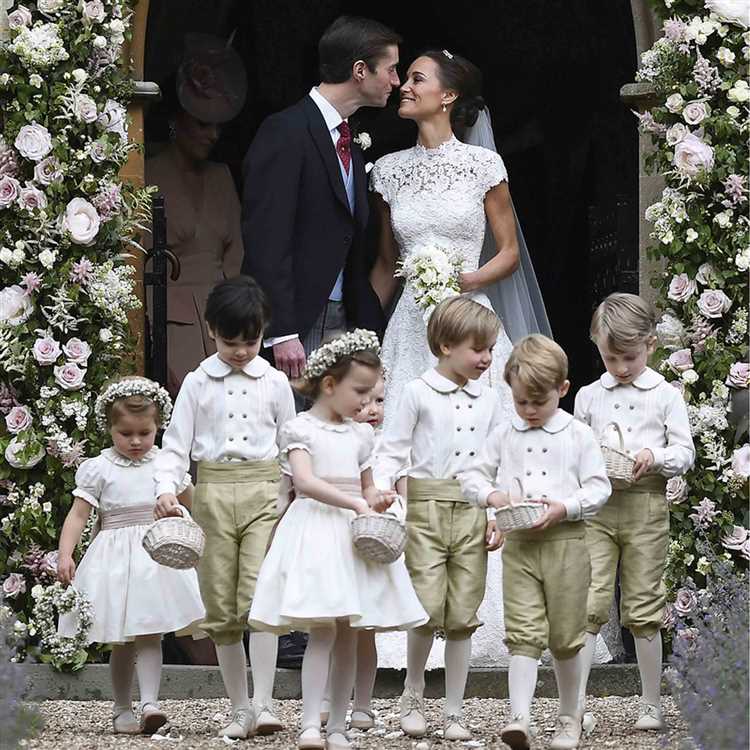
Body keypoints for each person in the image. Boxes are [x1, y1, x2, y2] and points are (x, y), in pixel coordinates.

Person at [248, 330, 427, 750]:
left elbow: (366, 487)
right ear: (330, 384)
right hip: (316, 532)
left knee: (349, 632)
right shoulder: (300, 429)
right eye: (360, 392)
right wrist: (355, 503)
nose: (367, 404)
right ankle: (311, 721)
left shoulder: (360, 435)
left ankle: (339, 725)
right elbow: (305, 483)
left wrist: (376, 498)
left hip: (352, 538)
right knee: (323, 631)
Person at [153, 276, 296, 740]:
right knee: (221, 604)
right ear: (212, 330)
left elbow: (292, 442)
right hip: (212, 493)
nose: (240, 351)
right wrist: (167, 486)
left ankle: (266, 703)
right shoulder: (197, 383)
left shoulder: (274, 381)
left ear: (263, 331)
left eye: (250, 341)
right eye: (230, 341)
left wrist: (291, 492)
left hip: (263, 491)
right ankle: (239, 708)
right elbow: (175, 446)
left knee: (261, 595)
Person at [461, 334, 611, 750]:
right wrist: (493, 497)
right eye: (521, 402)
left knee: (565, 635)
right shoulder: (503, 434)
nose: (528, 411)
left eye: (538, 402)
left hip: (567, 544)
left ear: (562, 390)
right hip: (521, 546)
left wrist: (564, 507)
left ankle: (569, 716)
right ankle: (520, 718)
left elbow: (599, 489)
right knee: (523, 633)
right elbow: (473, 475)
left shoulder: (577, 435)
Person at [374, 297, 505, 742]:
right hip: (426, 509)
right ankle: (413, 692)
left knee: (464, 610)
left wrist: (495, 512)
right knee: (426, 607)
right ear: (446, 345)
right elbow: (392, 447)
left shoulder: (489, 400)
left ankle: (454, 709)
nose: (487, 358)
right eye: (478, 349)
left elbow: (494, 462)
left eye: (490, 349)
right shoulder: (416, 393)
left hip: (471, 509)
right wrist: (384, 490)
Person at [241, 16, 401, 379]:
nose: (396, 80)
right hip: (296, 322)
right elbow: (267, 236)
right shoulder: (285, 131)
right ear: (360, 70)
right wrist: (281, 331)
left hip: (345, 316)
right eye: (391, 69)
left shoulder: (350, 139)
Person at [574, 293, 695, 733]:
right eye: (611, 358)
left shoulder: (665, 395)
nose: (621, 368)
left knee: (644, 602)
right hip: (599, 508)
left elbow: (685, 452)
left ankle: (650, 702)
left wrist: (654, 455)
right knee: (589, 602)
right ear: (598, 348)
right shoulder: (588, 396)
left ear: (650, 345)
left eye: (629, 357)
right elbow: (578, 449)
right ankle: (575, 702)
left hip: (646, 505)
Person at [56, 376, 204, 735]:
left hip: (155, 559)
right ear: (110, 428)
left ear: (158, 428)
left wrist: (185, 519)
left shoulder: (165, 467)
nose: (136, 441)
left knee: (151, 630)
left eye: (145, 433)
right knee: (121, 638)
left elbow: (192, 501)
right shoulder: (99, 468)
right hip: (114, 560)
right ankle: (122, 707)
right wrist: (65, 554)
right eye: (126, 434)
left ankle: (150, 702)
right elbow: (78, 514)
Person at [145, 33, 246, 396]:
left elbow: (235, 256)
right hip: (167, 324)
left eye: (218, 125)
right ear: (177, 120)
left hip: (222, 321)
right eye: (203, 124)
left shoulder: (221, 177)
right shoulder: (148, 174)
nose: (213, 134)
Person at [320, 368, 387, 730]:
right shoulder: (340, 438)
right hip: (340, 541)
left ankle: (363, 702)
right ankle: (331, 697)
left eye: (379, 401)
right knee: (335, 623)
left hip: (376, 542)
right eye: (365, 400)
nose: (372, 408)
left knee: (366, 630)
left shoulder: (384, 445)